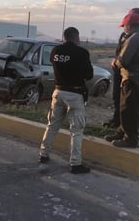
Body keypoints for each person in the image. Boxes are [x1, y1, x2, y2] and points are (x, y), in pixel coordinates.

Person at [38, 27, 94, 174]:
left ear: (64, 37)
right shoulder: (81, 53)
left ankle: (43, 154)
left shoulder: (55, 51)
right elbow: (89, 75)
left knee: (52, 125)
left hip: (58, 92)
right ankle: (75, 164)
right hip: (75, 95)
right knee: (76, 130)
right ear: (77, 37)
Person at [104, 12, 139, 148]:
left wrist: (115, 62)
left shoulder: (134, 38)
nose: (124, 29)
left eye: (124, 27)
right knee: (131, 110)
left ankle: (130, 139)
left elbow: (123, 61)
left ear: (129, 25)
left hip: (133, 80)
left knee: (128, 110)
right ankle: (121, 132)